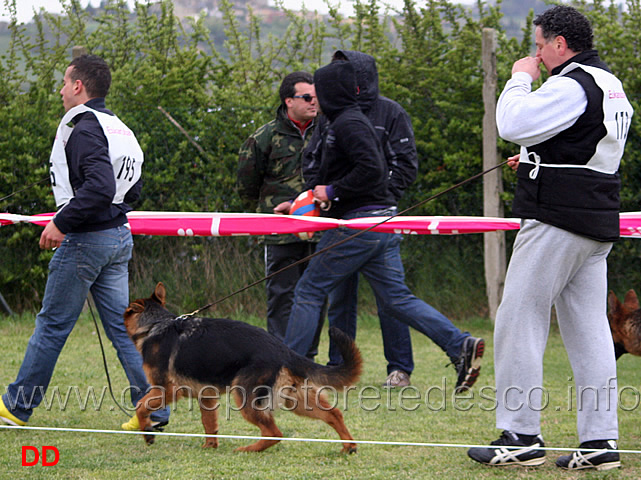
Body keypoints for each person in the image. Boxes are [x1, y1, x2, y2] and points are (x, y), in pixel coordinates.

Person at [468, 5, 633, 470]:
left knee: (518, 318)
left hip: (558, 219)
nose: (536, 54)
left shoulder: (571, 83)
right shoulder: (610, 84)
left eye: (540, 44)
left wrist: (519, 78)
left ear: (561, 44)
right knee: (589, 334)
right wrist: (538, 157)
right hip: (595, 220)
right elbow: (586, 144)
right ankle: (600, 443)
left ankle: (520, 434)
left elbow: (512, 124)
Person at [282, 59, 484, 394]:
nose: (315, 100)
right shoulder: (346, 121)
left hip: (358, 225)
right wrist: (304, 202)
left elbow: (372, 171)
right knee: (395, 299)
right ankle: (459, 344)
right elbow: (335, 170)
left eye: (319, 92)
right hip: (379, 223)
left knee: (309, 290)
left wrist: (331, 192)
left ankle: (287, 373)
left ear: (331, 91)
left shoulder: (349, 123)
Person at [0, 54, 169, 431]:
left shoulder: (84, 127)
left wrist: (62, 222)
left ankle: (14, 407)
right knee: (122, 328)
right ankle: (153, 409)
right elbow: (132, 189)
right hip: (118, 237)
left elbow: (99, 187)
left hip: (87, 240)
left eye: (64, 82)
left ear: (79, 86)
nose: (60, 90)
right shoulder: (119, 128)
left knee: (52, 326)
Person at [303, 50, 418, 387]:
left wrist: (377, 197)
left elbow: (405, 165)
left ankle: (399, 369)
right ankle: (338, 367)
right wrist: (318, 196)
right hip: (337, 220)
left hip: (376, 218)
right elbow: (313, 161)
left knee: (391, 299)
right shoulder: (329, 116)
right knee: (339, 297)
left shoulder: (391, 112)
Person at [237, 71, 324, 358]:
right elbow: (247, 184)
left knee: (315, 296)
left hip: (321, 228)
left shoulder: (327, 132)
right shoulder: (265, 137)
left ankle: (306, 358)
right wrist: (269, 209)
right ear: (289, 100)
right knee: (281, 295)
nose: (315, 102)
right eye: (307, 97)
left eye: (317, 97)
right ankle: (278, 358)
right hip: (280, 232)